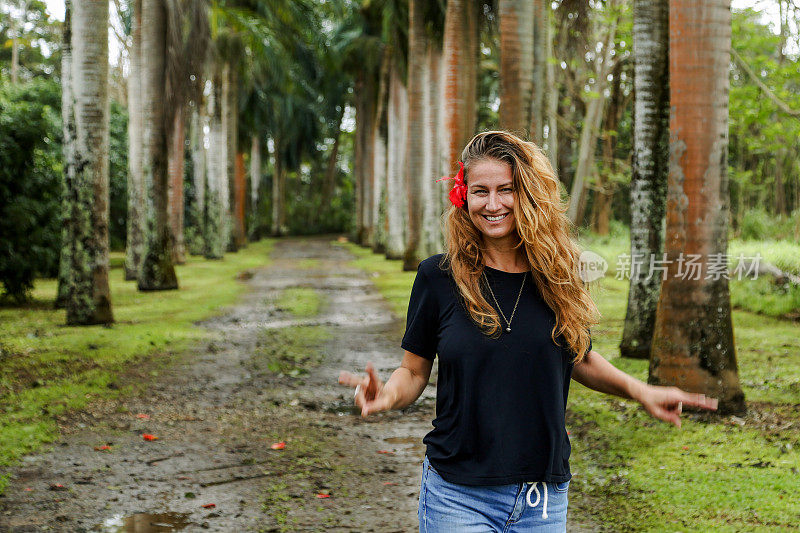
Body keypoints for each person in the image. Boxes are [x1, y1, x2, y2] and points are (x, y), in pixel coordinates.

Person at [338, 131, 718, 532]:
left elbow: (579, 356)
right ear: (463, 197)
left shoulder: (559, 275)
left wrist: (641, 391)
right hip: (458, 494)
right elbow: (414, 372)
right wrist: (388, 397)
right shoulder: (438, 277)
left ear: (528, 194)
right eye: (480, 191)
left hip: (542, 498)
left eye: (507, 190)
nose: (493, 204)